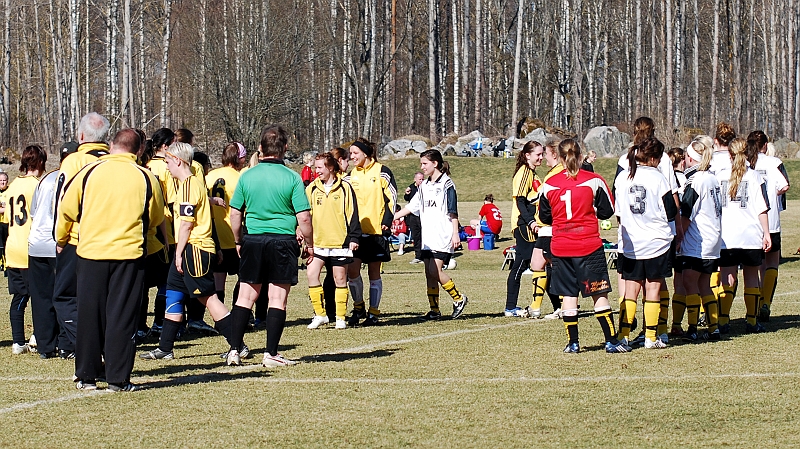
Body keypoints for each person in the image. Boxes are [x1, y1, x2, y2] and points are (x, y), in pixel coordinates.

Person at [57, 129, 165, 391]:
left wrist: (61, 239)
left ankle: (86, 375)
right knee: (122, 315)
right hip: (128, 255)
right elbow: (156, 216)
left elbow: (66, 209)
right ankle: (118, 378)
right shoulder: (146, 177)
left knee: (89, 314)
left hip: (91, 253)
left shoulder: (89, 172)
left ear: (111, 145)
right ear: (139, 150)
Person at [138, 142, 237, 361]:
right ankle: (165, 348)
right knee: (173, 293)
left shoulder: (189, 185)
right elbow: (196, 203)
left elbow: (186, 224)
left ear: (178, 161)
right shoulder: (189, 183)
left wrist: (179, 252)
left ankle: (237, 344)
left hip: (195, 249)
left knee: (208, 298)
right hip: (188, 249)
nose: (166, 166)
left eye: (167, 162)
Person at [226, 124, 312, 367]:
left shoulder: (247, 176)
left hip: (253, 239)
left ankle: (234, 350)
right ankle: (271, 353)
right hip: (282, 240)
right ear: (285, 148)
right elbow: (304, 218)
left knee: (245, 297)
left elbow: (234, 214)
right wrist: (311, 243)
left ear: (261, 148)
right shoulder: (293, 178)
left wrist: (239, 239)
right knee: (277, 299)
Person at [539, 139, 628, 353]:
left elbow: (544, 216)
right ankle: (610, 341)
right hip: (588, 245)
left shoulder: (549, 185)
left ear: (560, 158)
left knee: (569, 296)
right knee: (599, 294)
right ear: (581, 156)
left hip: (560, 247)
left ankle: (573, 343)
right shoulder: (594, 180)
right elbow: (607, 211)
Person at [52, 112, 110, 360]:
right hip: (114, 239)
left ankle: (89, 344)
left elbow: (62, 202)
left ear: (81, 135)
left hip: (79, 238)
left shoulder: (74, 161)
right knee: (103, 298)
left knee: (65, 296)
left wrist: (60, 238)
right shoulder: (119, 160)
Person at [614, 138, 677, 349]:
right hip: (656, 242)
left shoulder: (623, 176)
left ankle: (622, 336)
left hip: (631, 242)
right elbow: (670, 211)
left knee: (630, 291)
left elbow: (619, 214)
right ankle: (651, 337)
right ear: (652, 158)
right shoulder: (657, 178)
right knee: (653, 289)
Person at [395, 149, 469, 320]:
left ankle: (458, 298)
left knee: (434, 271)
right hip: (427, 238)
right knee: (429, 272)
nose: (422, 167)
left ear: (435, 164)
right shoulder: (424, 186)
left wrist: (455, 233)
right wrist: (390, 218)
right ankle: (434, 310)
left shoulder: (447, 184)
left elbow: (453, 211)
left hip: (442, 235)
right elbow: (411, 207)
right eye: (421, 164)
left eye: (425, 164)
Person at [715, 137, 771, 334]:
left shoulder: (720, 175)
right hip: (750, 235)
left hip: (726, 236)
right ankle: (752, 321)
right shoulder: (755, 177)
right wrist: (767, 233)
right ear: (747, 153)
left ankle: (722, 321)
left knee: (726, 278)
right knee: (751, 277)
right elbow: (762, 210)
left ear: (729, 154)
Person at [344, 137, 397, 326]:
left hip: (376, 232)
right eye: (350, 154)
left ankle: (374, 312)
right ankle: (359, 307)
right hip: (357, 233)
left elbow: (392, 198)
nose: (352, 157)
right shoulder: (350, 176)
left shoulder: (382, 172)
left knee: (374, 273)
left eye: (355, 153)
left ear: (365, 154)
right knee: (353, 271)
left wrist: (387, 220)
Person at [28, 145, 74, 359]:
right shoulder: (74, 177)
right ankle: (66, 344)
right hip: (58, 242)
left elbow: (34, 213)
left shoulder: (46, 179)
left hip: (36, 243)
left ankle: (45, 345)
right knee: (65, 295)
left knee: (41, 296)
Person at [305, 152, 360, 329]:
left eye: (320, 167)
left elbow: (353, 213)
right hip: (319, 242)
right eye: (315, 167)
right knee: (311, 274)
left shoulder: (345, 187)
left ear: (330, 168)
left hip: (339, 243)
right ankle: (320, 314)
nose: (316, 170)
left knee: (340, 279)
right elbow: (306, 214)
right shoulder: (312, 188)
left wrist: (354, 237)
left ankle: (340, 317)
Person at [677, 135, 723, 341]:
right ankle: (714, 327)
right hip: (713, 238)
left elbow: (686, 213)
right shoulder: (712, 177)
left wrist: (679, 237)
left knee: (689, 282)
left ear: (691, 158)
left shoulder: (696, 180)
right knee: (705, 284)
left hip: (698, 239)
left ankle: (693, 328)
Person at [4, 146, 46, 354]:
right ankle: (39, 336)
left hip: (12, 248)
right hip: (31, 248)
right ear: (40, 163)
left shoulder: (12, 186)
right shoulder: (38, 186)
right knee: (40, 296)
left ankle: (17, 342)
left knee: (19, 297)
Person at [747, 131, 789, 322]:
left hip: (752, 221)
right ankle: (765, 303)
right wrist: (773, 193)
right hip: (771, 220)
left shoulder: (746, 163)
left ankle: (753, 309)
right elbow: (785, 185)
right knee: (771, 264)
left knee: (754, 267)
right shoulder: (774, 163)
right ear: (765, 145)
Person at [504, 140, 543, 317]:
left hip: (530, 225)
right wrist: (531, 222)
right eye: (538, 154)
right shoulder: (524, 173)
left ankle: (558, 304)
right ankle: (510, 307)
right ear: (528, 155)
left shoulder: (533, 174)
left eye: (542, 154)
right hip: (524, 226)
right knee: (524, 265)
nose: (541, 157)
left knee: (537, 264)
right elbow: (520, 201)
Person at [528, 137, 563, 319]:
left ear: (555, 155)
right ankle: (538, 306)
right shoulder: (553, 173)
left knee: (552, 264)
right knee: (539, 263)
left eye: (546, 154)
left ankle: (564, 305)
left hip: (551, 226)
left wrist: (534, 196)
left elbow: (547, 198)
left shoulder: (556, 173)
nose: (544, 158)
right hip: (545, 227)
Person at [207, 142, 246, 307]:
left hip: (215, 235)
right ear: (239, 158)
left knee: (218, 277)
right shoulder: (241, 178)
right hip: (234, 234)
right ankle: (240, 311)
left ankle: (220, 315)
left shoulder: (209, 176)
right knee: (244, 276)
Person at [403, 172, 424, 263]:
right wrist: (407, 193)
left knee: (424, 235)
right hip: (412, 215)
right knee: (416, 236)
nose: (422, 181)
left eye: (423, 179)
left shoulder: (426, 187)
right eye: (420, 179)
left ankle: (425, 256)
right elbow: (407, 199)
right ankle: (418, 256)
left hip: (423, 215)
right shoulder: (411, 188)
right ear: (415, 179)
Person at [0, 171, 10, 271]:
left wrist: (4, 208)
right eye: (0, 181)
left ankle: (7, 264)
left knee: (6, 244)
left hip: (7, 222)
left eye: (4, 180)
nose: (2, 182)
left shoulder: (10, 191)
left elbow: (10, 207)